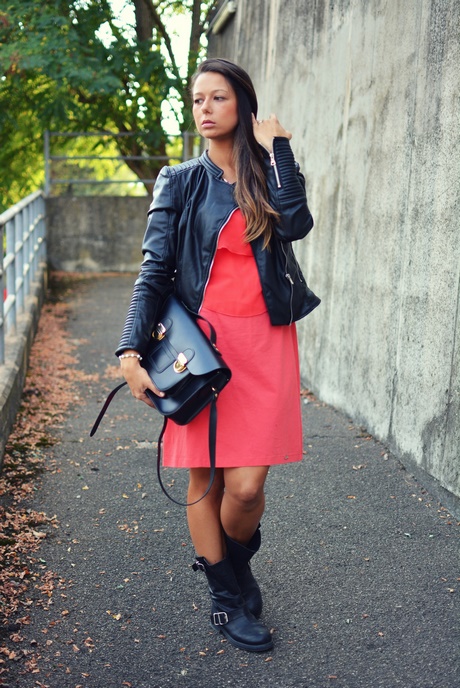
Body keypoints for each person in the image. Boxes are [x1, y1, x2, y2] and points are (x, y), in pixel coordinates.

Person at [116, 57, 320, 653]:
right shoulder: (178, 180)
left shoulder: (265, 172)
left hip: (266, 340)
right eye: (197, 100)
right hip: (202, 346)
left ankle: (228, 566)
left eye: (218, 99)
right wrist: (130, 346)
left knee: (249, 486)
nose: (205, 109)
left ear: (243, 106)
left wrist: (277, 145)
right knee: (205, 477)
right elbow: (154, 269)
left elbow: (298, 223)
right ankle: (229, 600)